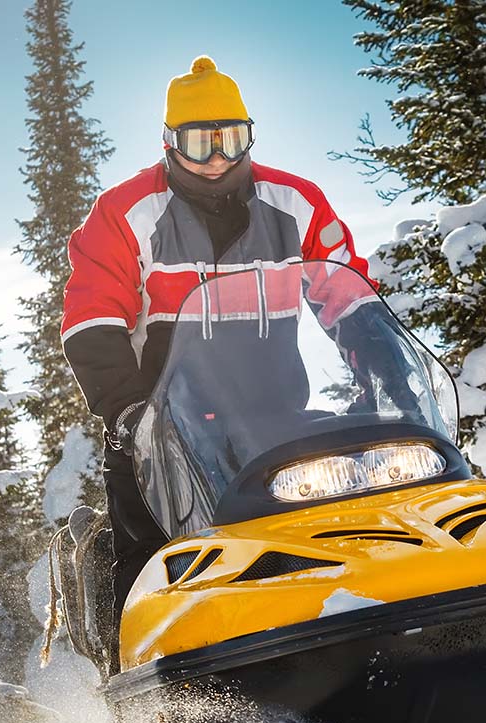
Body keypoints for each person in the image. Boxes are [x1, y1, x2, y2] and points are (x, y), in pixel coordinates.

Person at [60, 56, 372, 668]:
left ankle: (344, 641)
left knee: (333, 511)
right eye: (199, 142)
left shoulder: (296, 202)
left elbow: (348, 290)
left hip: (272, 416)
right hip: (164, 427)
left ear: (248, 135)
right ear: (170, 142)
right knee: (153, 553)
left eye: (230, 139)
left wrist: (377, 370)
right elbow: (90, 321)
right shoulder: (124, 214)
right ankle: (142, 677)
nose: (217, 158)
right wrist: (128, 412)